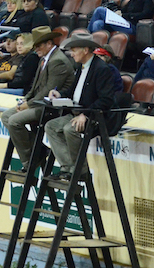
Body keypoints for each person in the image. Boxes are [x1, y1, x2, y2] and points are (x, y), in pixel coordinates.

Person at [0, 26, 74, 171]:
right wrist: (24, 100)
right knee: (6, 116)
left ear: (49, 44)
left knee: (14, 121)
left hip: (52, 107)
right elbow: (35, 87)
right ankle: (39, 149)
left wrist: (29, 104)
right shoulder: (44, 59)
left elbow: (49, 91)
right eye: (35, 46)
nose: (36, 49)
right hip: (38, 103)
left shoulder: (57, 61)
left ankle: (29, 161)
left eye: (39, 45)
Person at [45, 33, 115, 180]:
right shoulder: (81, 67)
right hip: (76, 113)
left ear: (85, 50)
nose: (71, 54)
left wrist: (86, 115)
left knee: (69, 129)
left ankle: (80, 170)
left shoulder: (101, 69)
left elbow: (106, 100)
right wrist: (59, 94)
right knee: (50, 126)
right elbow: (73, 92)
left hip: (94, 116)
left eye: (74, 50)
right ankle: (68, 167)